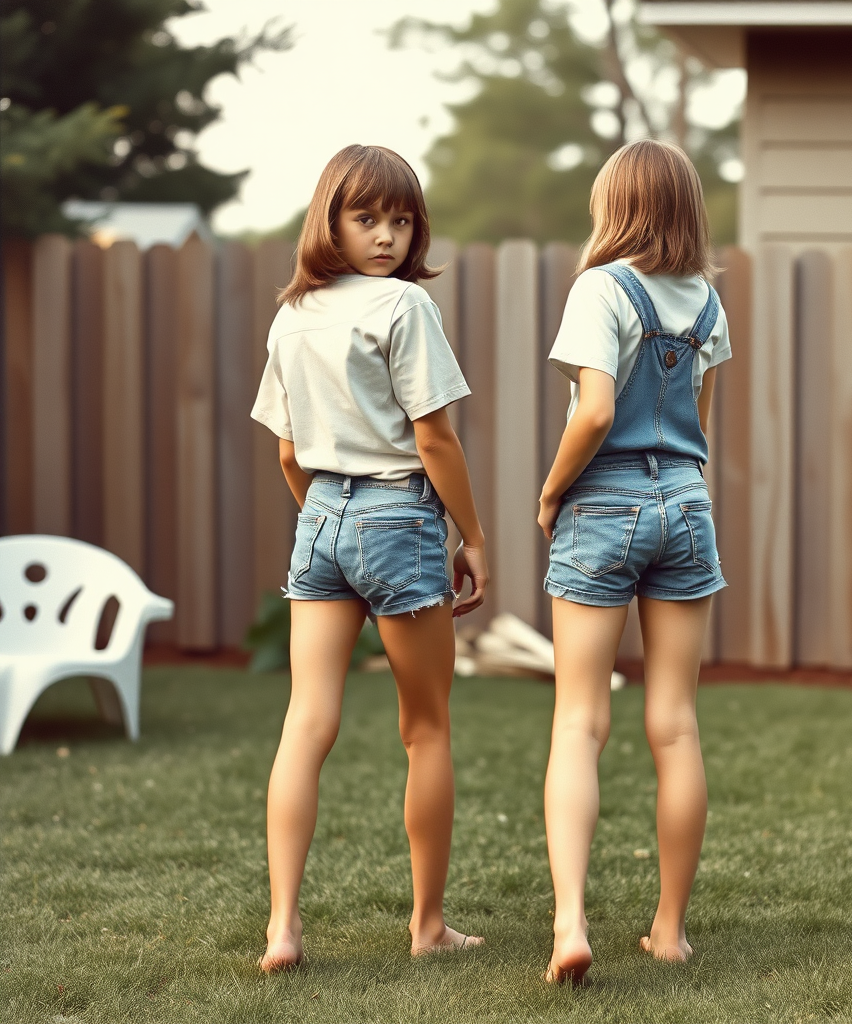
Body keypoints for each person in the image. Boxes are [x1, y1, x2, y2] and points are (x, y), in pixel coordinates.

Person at [250, 144, 488, 971]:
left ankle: (283, 927)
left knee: (304, 724)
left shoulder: (292, 316)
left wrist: (329, 520)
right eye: (368, 218)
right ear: (333, 220)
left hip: (318, 517)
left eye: (401, 219)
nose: (387, 235)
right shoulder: (402, 308)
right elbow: (434, 437)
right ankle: (427, 927)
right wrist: (475, 538)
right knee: (425, 732)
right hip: (399, 517)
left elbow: (287, 452)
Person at [537, 139, 731, 983]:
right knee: (676, 724)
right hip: (686, 503)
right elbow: (701, 422)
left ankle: (571, 924)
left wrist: (551, 494)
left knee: (580, 721)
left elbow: (593, 413)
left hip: (603, 501)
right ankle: (670, 930)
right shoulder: (709, 300)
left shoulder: (599, 287)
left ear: (612, 206)